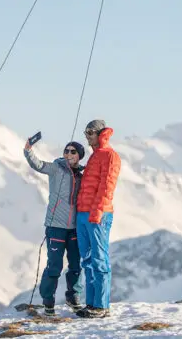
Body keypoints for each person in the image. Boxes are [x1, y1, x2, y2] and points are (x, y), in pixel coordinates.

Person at [24, 137, 87, 315]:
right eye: (66, 151)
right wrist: (28, 150)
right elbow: (37, 165)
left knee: (76, 264)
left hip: (74, 228)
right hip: (55, 226)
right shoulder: (56, 169)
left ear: (79, 156)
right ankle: (48, 301)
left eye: (72, 152)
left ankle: (73, 296)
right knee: (54, 265)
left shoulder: (82, 176)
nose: (68, 154)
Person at [73, 119, 121, 318]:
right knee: (87, 260)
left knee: (99, 259)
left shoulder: (110, 156)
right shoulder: (94, 156)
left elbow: (107, 187)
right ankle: (91, 304)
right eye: (86, 133)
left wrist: (97, 212)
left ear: (102, 133)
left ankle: (101, 306)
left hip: (98, 215)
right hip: (83, 214)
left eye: (91, 132)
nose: (88, 136)